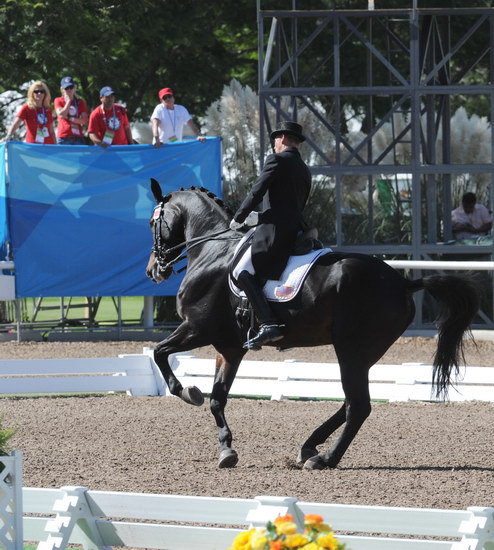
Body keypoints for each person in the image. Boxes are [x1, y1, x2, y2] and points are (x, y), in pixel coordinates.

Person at [229, 121, 312, 350]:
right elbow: (292, 206)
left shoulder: (276, 159)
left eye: (276, 139)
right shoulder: (304, 168)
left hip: (274, 233)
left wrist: (239, 217)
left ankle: (268, 324)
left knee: (241, 272)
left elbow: (258, 190)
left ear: (283, 138)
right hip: (296, 230)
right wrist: (262, 216)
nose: (274, 144)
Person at [54, 76, 88, 145]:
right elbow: (61, 115)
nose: (69, 90)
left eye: (71, 87)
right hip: (63, 137)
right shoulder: (58, 100)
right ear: (62, 89)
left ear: (74, 88)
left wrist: (70, 118)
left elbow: (84, 120)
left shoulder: (80, 102)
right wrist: (68, 101)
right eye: (66, 88)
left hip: (78, 137)